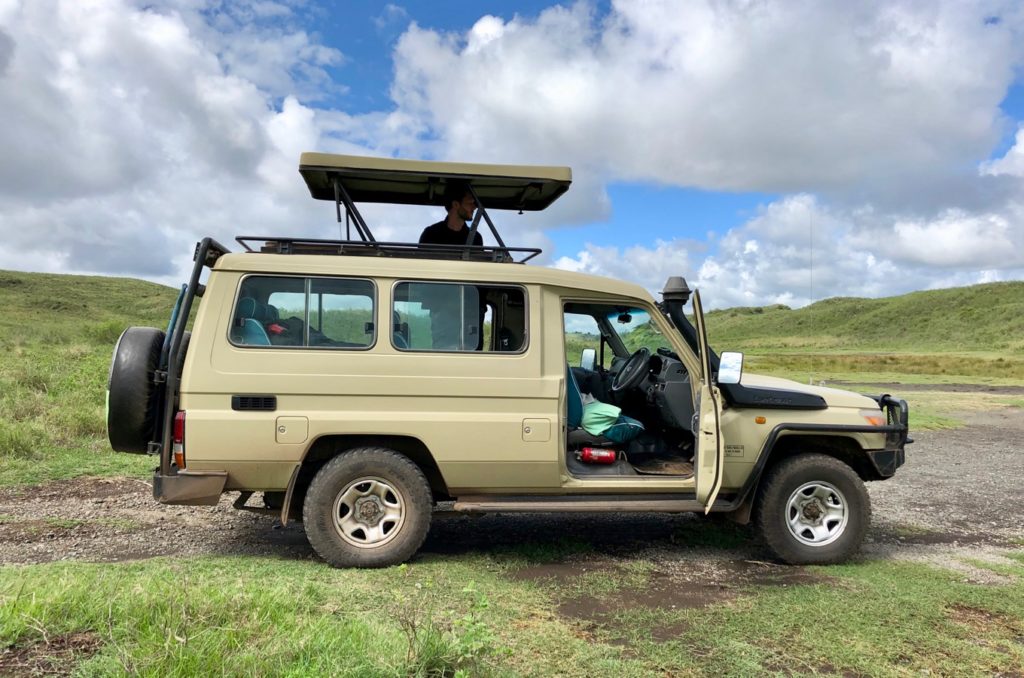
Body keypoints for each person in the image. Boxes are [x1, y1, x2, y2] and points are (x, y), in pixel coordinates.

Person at [419, 181, 484, 247]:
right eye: (470, 203)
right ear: (455, 204)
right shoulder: (430, 234)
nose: (474, 207)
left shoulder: (476, 238)